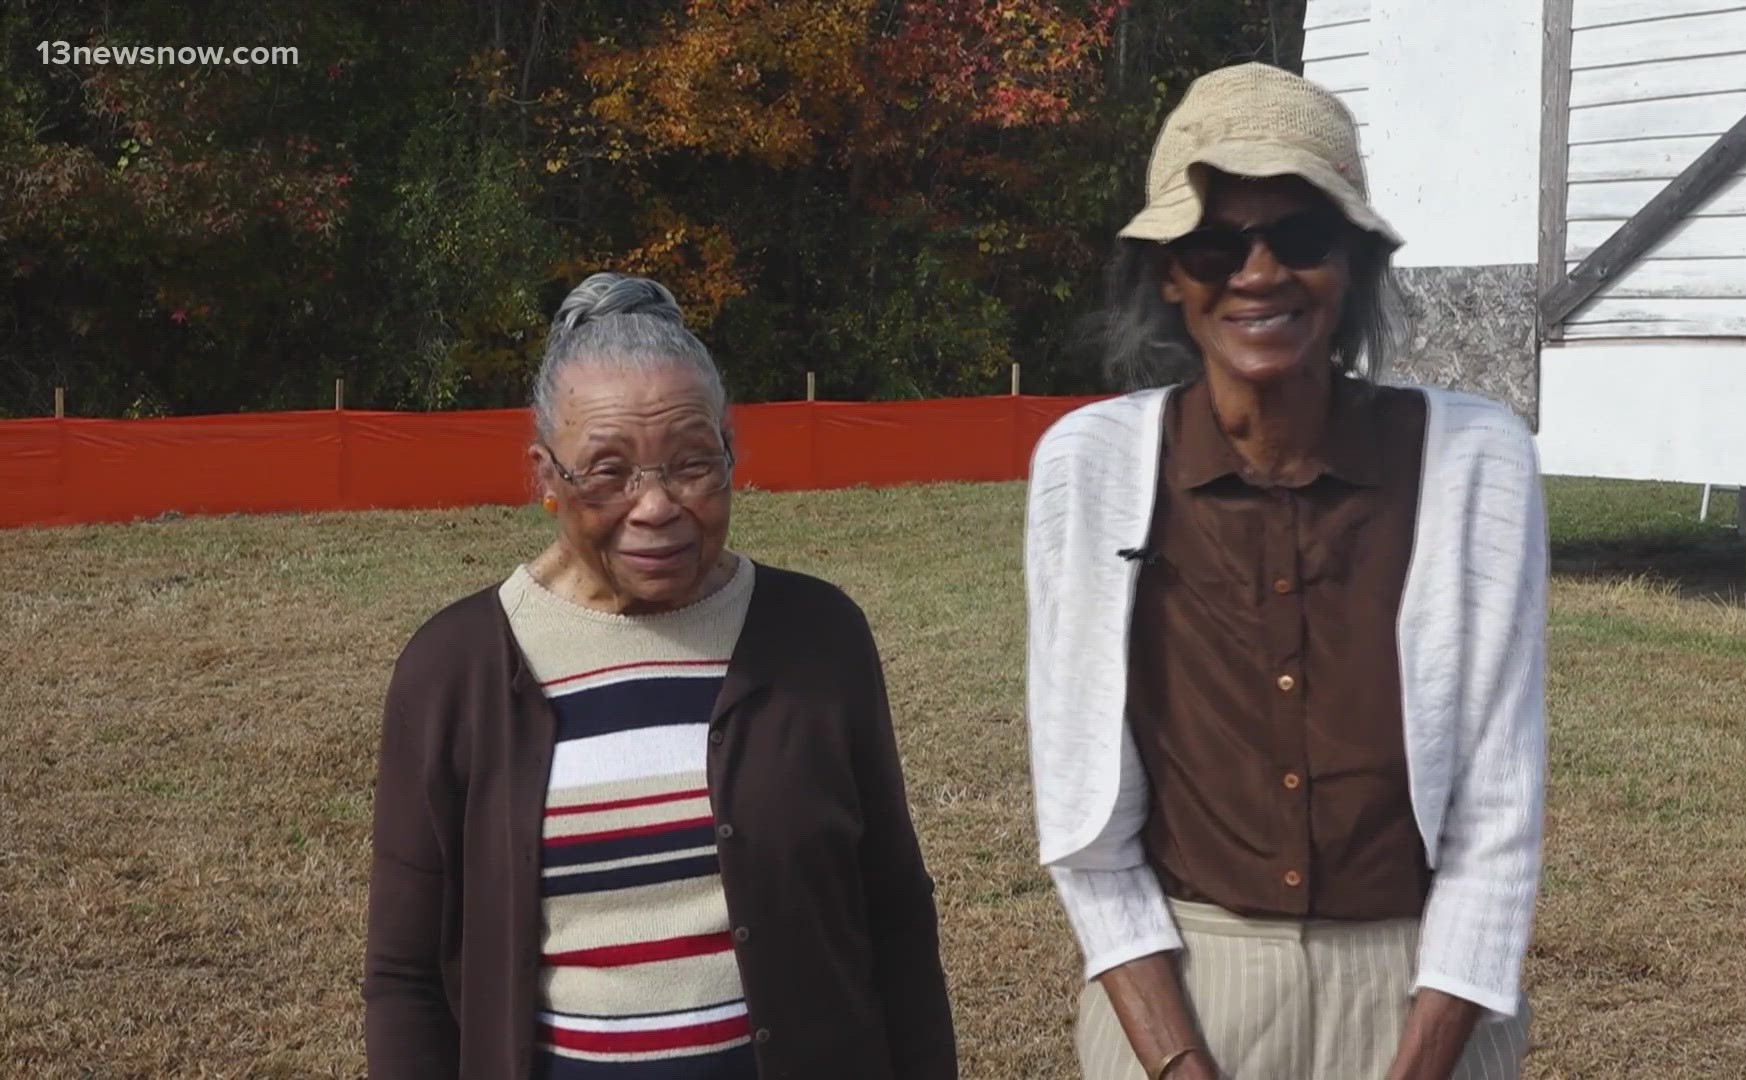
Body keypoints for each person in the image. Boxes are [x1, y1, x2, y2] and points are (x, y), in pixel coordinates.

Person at [1024, 64, 1546, 1080]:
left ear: (1350, 263)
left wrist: (1419, 1064)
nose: (1258, 273)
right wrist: (1178, 1065)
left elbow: (1499, 815)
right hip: (1184, 988)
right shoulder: (1088, 468)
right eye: (1217, 244)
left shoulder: (1475, 461)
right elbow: (1083, 825)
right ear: (1170, 274)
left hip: (1421, 994)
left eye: (1300, 238)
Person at [364, 273, 957, 1080]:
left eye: (690, 464)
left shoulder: (818, 638)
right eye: (608, 473)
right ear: (545, 475)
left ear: (730, 455)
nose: (655, 507)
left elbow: (894, 916)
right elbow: (404, 980)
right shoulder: (456, 668)